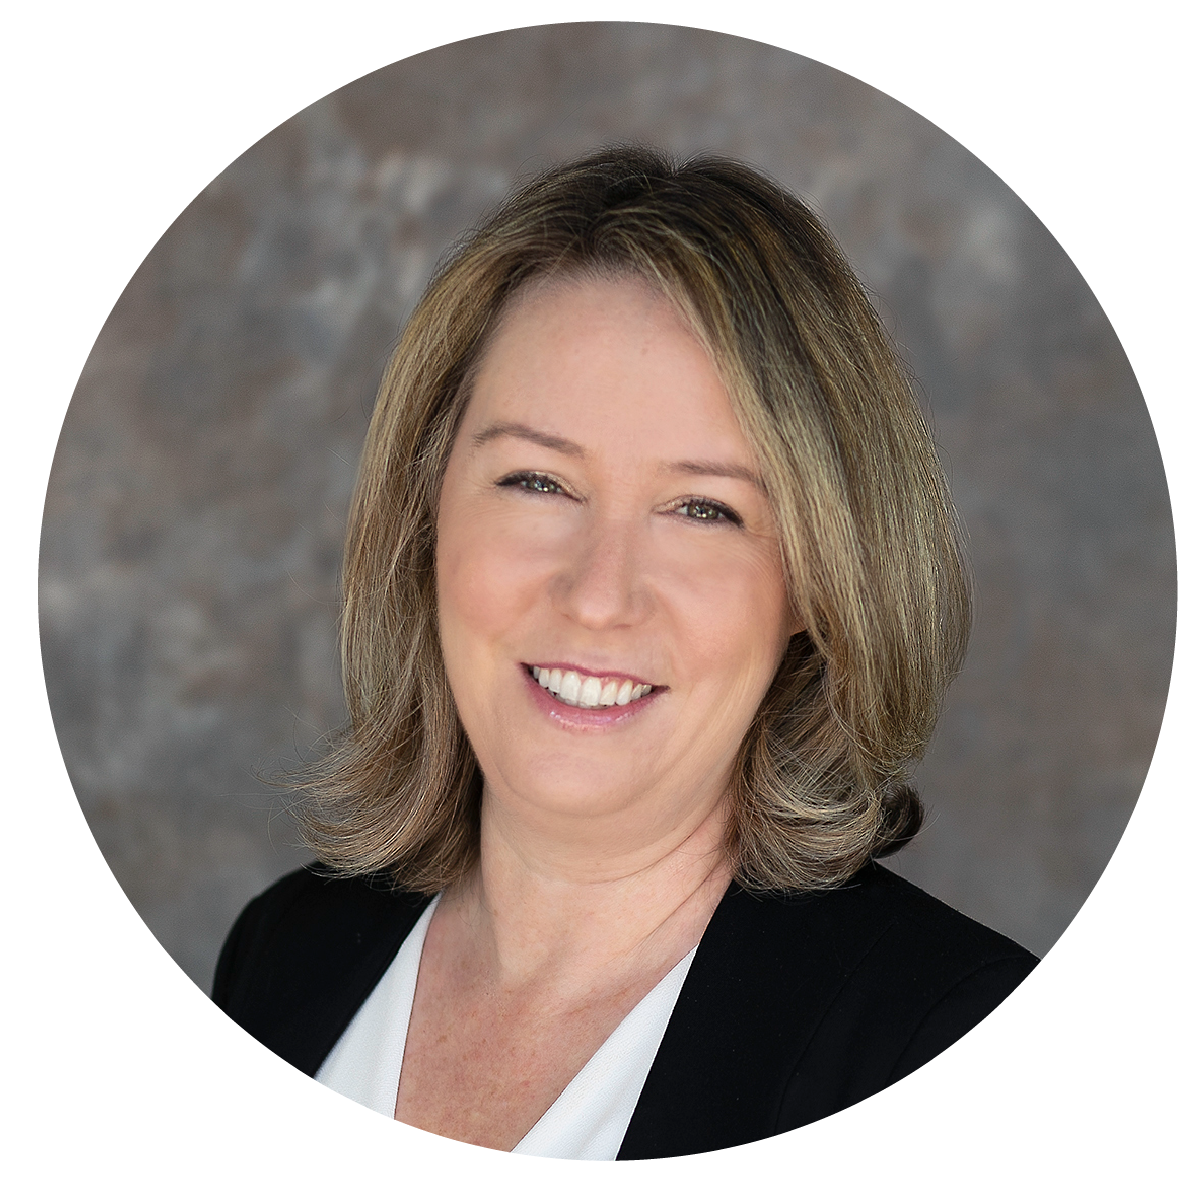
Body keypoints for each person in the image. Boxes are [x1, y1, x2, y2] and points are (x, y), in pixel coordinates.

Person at [212, 145, 1038, 1159]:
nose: (599, 595)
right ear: (426, 511)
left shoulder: (966, 1052)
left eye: (703, 509)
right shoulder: (282, 955)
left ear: (818, 584)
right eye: (537, 483)